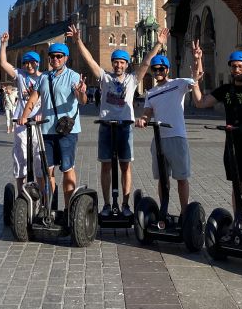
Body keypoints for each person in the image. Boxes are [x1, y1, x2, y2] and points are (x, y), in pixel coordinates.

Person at [68, 24, 168, 218]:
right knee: (106, 165)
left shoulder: (132, 79)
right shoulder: (104, 78)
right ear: (112, 63)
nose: (119, 65)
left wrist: (157, 44)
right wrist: (78, 41)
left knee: (125, 166)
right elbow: (89, 60)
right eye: (116, 62)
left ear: (126, 64)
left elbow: (146, 63)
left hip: (125, 127)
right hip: (106, 125)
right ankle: (106, 204)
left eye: (122, 62)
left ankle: (125, 203)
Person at [191, 47, 242, 241]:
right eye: (234, 66)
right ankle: (237, 225)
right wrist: (195, 81)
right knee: (238, 187)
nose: (236, 70)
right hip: (233, 145)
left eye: (240, 66)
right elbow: (200, 103)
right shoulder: (226, 90)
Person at [19, 43, 89, 211]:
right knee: (47, 171)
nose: (55, 59)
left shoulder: (72, 76)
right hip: (47, 131)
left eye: (59, 56)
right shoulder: (43, 77)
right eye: (52, 56)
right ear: (49, 58)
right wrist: (23, 117)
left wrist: (81, 92)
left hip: (67, 131)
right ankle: (50, 207)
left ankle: (69, 208)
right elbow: (34, 98)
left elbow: (82, 101)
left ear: (65, 58)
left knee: (67, 169)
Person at [134, 54, 198, 220]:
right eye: (154, 70)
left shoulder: (178, 84)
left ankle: (185, 214)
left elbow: (196, 78)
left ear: (167, 69)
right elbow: (148, 113)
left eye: (161, 69)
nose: (158, 72)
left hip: (177, 137)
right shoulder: (151, 92)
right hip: (159, 139)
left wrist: (197, 59)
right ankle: (164, 213)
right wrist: (143, 119)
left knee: (181, 178)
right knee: (163, 179)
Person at [0, 34, 43, 193]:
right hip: (21, 122)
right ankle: (21, 194)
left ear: (38, 63)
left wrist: (42, 114)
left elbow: (48, 100)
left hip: (39, 123)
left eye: (32, 62)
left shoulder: (44, 78)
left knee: (39, 157)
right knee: (20, 156)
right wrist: (4, 45)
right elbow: (3, 63)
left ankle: (42, 195)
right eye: (26, 63)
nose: (29, 65)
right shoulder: (20, 75)